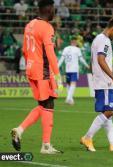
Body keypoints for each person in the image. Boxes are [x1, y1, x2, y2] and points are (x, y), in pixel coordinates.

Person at [11, 0, 63, 154]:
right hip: (43, 71)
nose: (55, 12)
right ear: (48, 9)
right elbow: (50, 53)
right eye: (54, 9)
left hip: (31, 69)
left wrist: (30, 66)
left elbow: (25, 50)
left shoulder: (30, 24)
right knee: (49, 104)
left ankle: (19, 130)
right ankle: (46, 146)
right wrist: (58, 75)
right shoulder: (47, 27)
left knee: (43, 105)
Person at [80, 18, 113, 152]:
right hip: (105, 82)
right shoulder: (104, 40)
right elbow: (101, 60)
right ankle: (87, 137)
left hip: (101, 80)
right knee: (109, 111)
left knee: (107, 113)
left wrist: (96, 76)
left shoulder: (97, 39)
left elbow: (92, 62)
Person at [58, 36, 90, 105]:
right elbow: (81, 59)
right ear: (75, 42)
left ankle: (70, 99)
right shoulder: (77, 49)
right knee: (73, 83)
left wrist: (57, 66)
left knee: (68, 84)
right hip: (74, 69)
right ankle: (68, 98)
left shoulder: (65, 49)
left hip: (67, 69)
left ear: (71, 42)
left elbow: (61, 59)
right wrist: (87, 65)